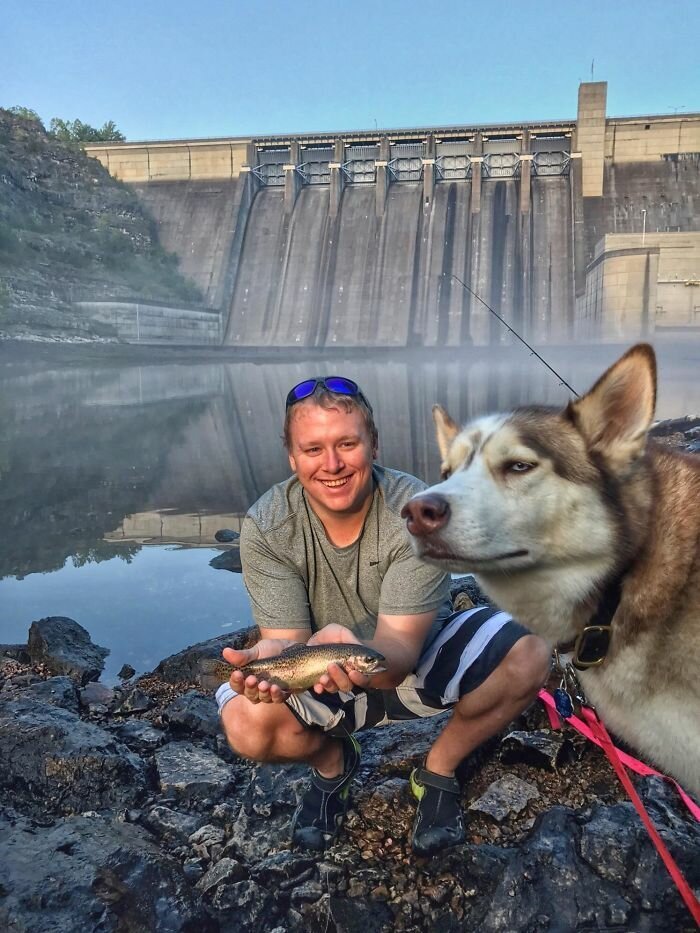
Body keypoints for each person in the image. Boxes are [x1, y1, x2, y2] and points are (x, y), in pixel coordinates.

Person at [217, 376, 550, 855]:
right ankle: (335, 765)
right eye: (312, 449)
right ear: (292, 458)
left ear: (373, 445)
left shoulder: (417, 511)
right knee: (246, 722)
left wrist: (348, 647)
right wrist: (270, 661)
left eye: (347, 444)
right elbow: (287, 644)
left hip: (408, 666)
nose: (331, 464)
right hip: (323, 678)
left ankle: (437, 770)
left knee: (530, 651)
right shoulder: (268, 525)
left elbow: (397, 652)